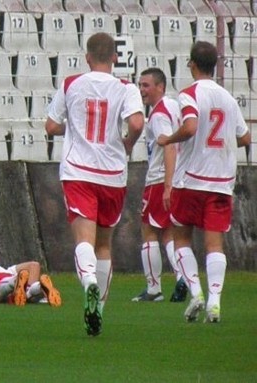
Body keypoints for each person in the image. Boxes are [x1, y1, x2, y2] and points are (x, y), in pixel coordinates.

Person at [44, 32, 145, 336]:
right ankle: (98, 307)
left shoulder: (72, 83)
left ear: (87, 57)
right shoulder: (126, 88)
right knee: (104, 244)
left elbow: (50, 126)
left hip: (79, 172)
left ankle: (87, 282)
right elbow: (138, 123)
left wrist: (73, 126)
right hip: (113, 174)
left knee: (84, 241)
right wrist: (128, 142)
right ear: (115, 57)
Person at [157, 41, 251, 323]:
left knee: (181, 238)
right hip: (221, 181)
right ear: (216, 65)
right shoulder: (228, 98)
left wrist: (169, 138)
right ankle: (215, 303)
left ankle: (196, 292)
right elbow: (245, 138)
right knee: (215, 245)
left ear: (192, 64)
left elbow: (190, 127)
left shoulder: (190, 94)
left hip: (191, 180)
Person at [131, 68, 187, 303]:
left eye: (146, 85)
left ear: (160, 86)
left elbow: (169, 147)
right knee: (169, 235)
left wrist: (166, 185)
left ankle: (154, 288)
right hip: (178, 177)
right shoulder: (174, 106)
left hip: (158, 180)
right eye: (140, 85)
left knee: (149, 231)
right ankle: (184, 276)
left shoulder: (159, 114)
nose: (142, 90)